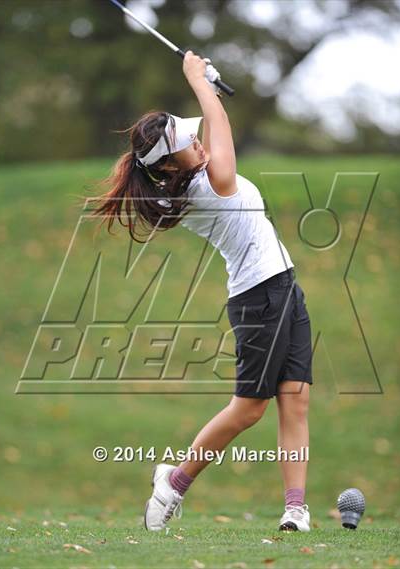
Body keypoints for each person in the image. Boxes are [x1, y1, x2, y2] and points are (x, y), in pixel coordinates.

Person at [93, 51, 313, 533]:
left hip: (282, 285)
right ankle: (174, 481)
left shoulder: (192, 173)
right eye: (188, 140)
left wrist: (207, 88)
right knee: (249, 408)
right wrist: (199, 81)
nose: (198, 138)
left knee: (294, 398)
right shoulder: (211, 183)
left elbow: (214, 131)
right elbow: (220, 130)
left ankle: (295, 508)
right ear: (173, 161)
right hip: (260, 297)